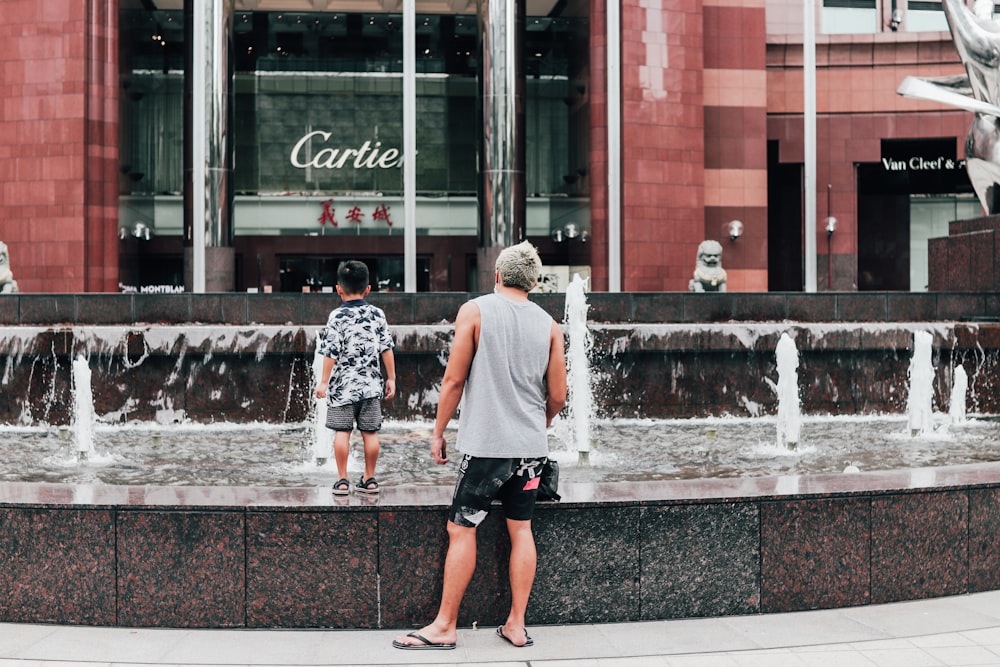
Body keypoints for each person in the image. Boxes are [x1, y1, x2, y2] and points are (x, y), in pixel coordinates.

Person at [392, 241, 567, 651]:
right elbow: (558, 395)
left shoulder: (476, 310)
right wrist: (538, 425)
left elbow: (453, 380)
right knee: (521, 530)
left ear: (498, 276)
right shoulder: (549, 324)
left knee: (461, 528)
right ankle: (517, 625)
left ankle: (445, 626)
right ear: (534, 282)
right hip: (530, 449)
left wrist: (438, 432)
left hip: (487, 446)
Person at [314, 260, 396, 495]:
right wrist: (391, 378)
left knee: (342, 432)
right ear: (368, 289)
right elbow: (386, 348)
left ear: (338, 289)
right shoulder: (377, 315)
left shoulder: (336, 317)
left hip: (342, 388)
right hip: (370, 386)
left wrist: (323, 382)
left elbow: (330, 352)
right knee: (371, 434)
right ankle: (370, 479)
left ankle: (342, 480)